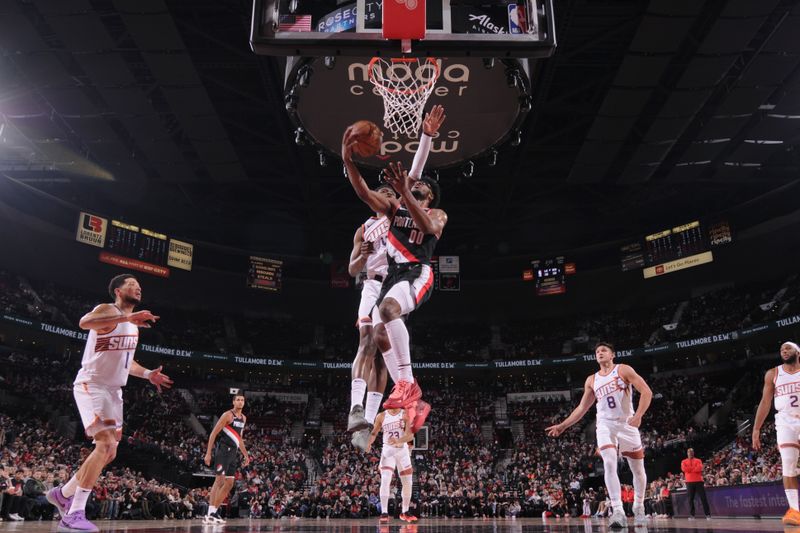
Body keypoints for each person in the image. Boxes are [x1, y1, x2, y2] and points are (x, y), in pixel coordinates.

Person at [342, 105, 447, 433]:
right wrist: (348, 160)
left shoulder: (438, 213)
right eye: (413, 187)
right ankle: (409, 393)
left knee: (387, 311)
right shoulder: (392, 206)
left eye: (421, 189)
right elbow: (363, 192)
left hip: (419, 272)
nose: (416, 187)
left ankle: (408, 384)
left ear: (428, 196)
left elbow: (427, 226)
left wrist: (406, 192)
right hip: (393, 277)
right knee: (376, 332)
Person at [45, 273, 172, 532]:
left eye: (140, 287)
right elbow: (84, 322)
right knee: (103, 444)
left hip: (114, 392)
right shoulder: (108, 310)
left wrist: (148, 374)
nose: (138, 289)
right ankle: (74, 513)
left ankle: (63, 493)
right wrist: (125, 316)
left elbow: (128, 362)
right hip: (92, 385)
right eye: (132, 285)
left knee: (111, 451)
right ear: (117, 290)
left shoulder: (133, 326)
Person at [546, 341, 652, 529]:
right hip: (605, 425)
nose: (600, 353)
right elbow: (582, 408)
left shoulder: (623, 369)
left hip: (626, 423)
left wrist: (639, 416)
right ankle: (617, 510)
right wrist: (563, 425)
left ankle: (639, 505)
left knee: (638, 470)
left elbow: (646, 391)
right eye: (597, 351)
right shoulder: (592, 380)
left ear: (612, 355)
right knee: (609, 462)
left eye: (604, 350)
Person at [346, 183, 396, 447]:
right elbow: (353, 269)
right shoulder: (364, 229)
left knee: (382, 357)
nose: (388, 196)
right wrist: (362, 256)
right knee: (366, 342)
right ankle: (355, 408)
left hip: (395, 288)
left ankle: (366, 421)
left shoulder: (400, 220)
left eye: (392, 193)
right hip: (373, 285)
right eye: (384, 193)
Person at [752, 341, 800, 526]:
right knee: (788, 465)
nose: (784, 351)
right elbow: (765, 402)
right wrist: (756, 428)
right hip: (785, 421)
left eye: (788, 348)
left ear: (797, 351)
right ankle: (795, 511)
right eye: (781, 349)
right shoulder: (773, 373)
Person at [203, 392, 250, 524]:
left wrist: (246, 454)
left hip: (233, 453)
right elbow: (213, 434)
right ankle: (209, 514)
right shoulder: (227, 415)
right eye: (238, 400)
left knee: (229, 484)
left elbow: (239, 438)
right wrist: (208, 453)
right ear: (233, 402)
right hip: (223, 451)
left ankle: (214, 512)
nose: (240, 402)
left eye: (242, 400)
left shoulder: (244, 418)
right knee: (219, 481)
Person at [366, 408, 417, 524]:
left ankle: (405, 511)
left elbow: (410, 436)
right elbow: (374, 432)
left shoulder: (405, 414)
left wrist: (399, 440)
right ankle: (384, 512)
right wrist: (369, 442)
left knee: (408, 482)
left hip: (402, 450)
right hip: (388, 450)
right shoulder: (382, 416)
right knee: (385, 479)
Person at [680, 448, 710, 519]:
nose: (690, 453)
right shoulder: (683, 461)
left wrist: (690, 469)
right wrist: (693, 468)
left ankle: (708, 514)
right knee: (690, 499)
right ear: (687, 453)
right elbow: (684, 469)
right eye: (689, 452)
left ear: (693, 453)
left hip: (698, 481)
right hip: (689, 482)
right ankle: (692, 515)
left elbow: (699, 468)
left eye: (691, 452)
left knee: (703, 498)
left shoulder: (698, 460)